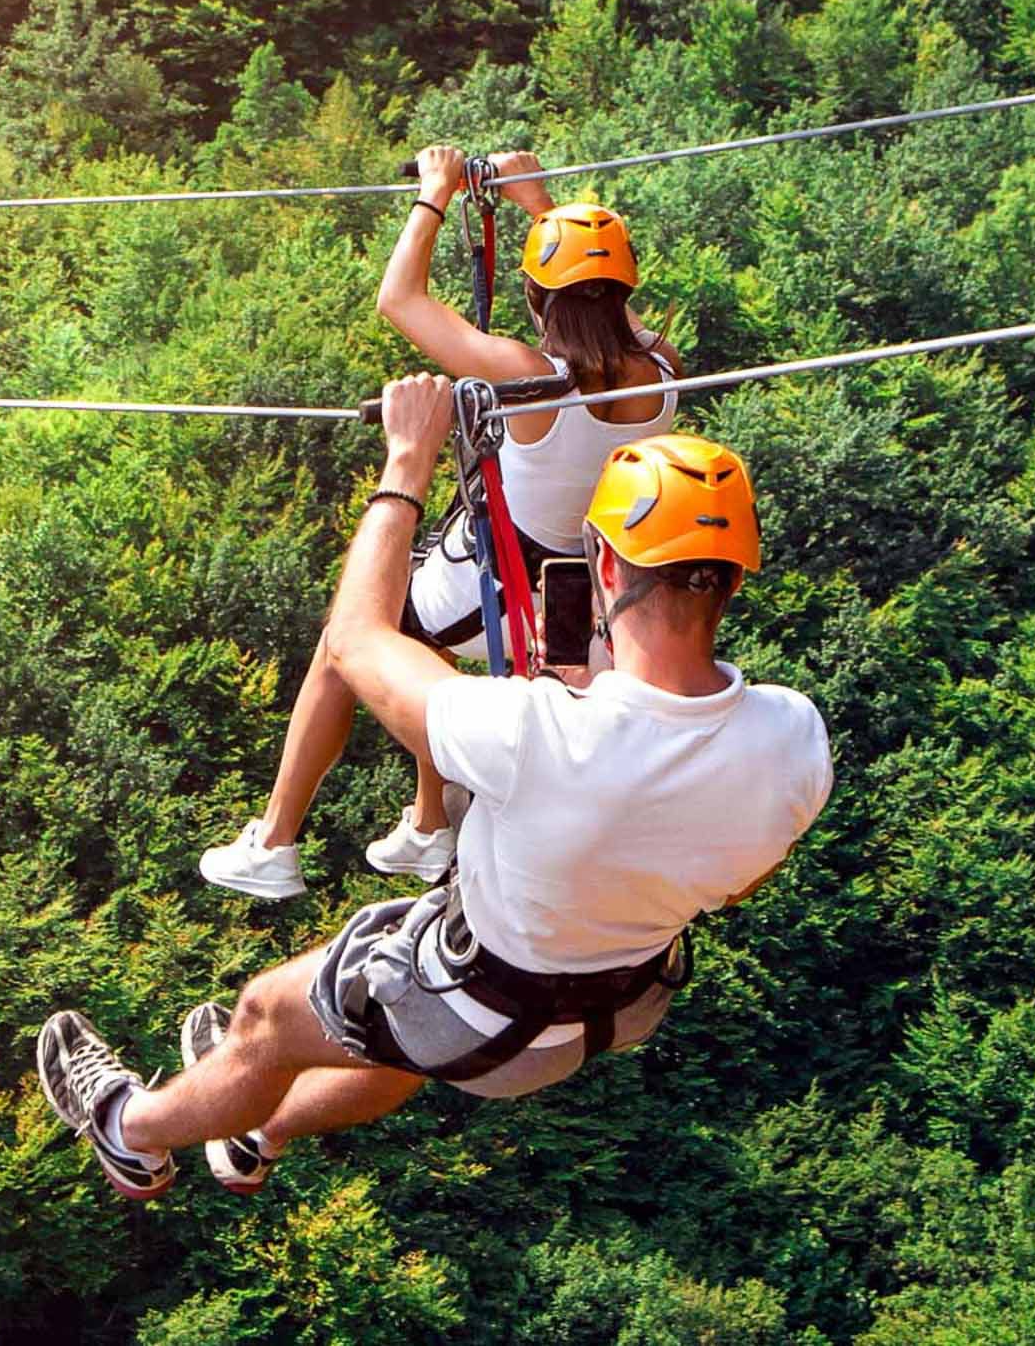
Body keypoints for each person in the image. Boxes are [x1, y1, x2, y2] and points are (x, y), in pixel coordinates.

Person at [41, 374, 831, 1199]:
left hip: (477, 1007)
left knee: (265, 1018)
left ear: (601, 560)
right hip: (609, 1011)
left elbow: (354, 640)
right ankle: (257, 1133)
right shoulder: (793, 738)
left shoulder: (535, 731)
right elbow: (742, 878)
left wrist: (407, 462)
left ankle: (128, 1130)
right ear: (735, 579)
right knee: (393, 1037)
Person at [200, 144, 686, 899]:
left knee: (346, 638)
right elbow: (606, 307)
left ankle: (275, 840)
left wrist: (434, 193)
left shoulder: (527, 376)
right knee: (427, 643)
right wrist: (539, 204)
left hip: (500, 580)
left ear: (536, 296)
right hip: (577, 592)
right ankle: (430, 824)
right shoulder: (664, 369)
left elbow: (400, 299)